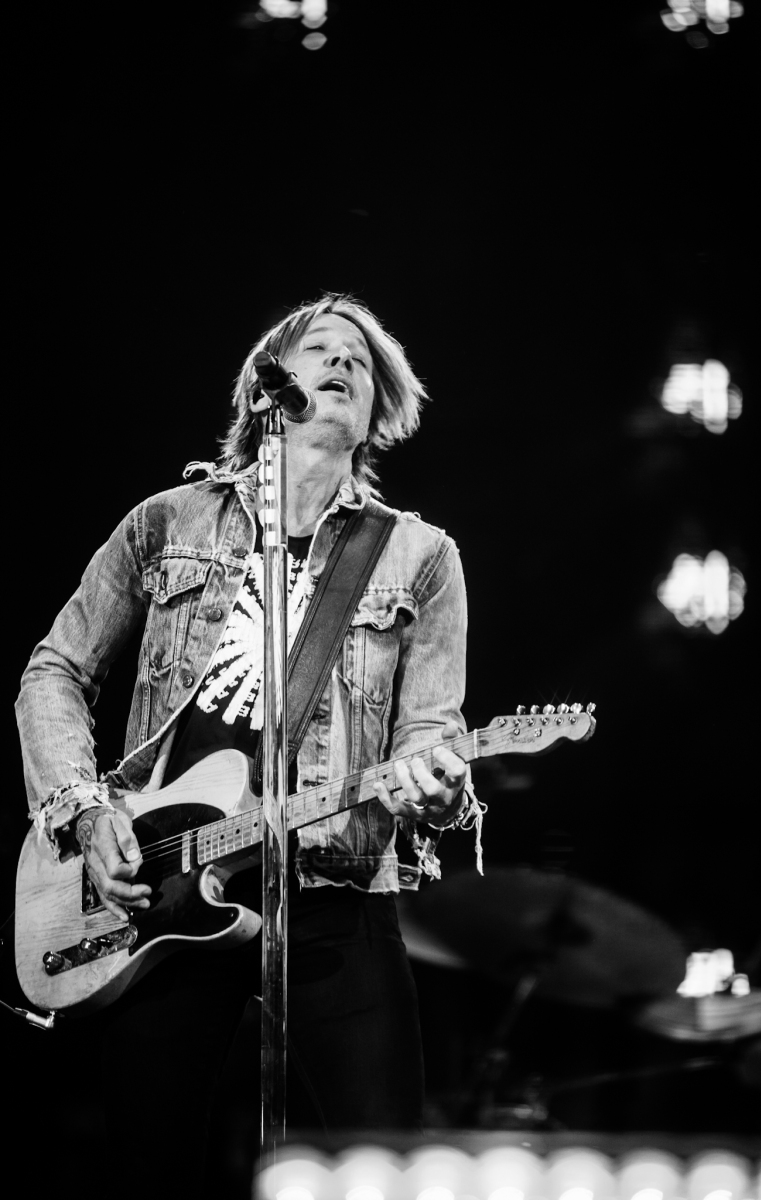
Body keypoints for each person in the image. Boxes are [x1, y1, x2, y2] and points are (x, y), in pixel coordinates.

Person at [15, 294, 479, 1198]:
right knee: (150, 1169)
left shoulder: (418, 556)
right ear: (270, 383)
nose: (342, 362)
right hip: (161, 888)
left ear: (377, 409)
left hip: (335, 884)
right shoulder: (169, 522)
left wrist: (435, 784)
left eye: (360, 359)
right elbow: (54, 669)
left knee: (384, 1166)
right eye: (321, 348)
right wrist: (85, 808)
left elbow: (430, 728)